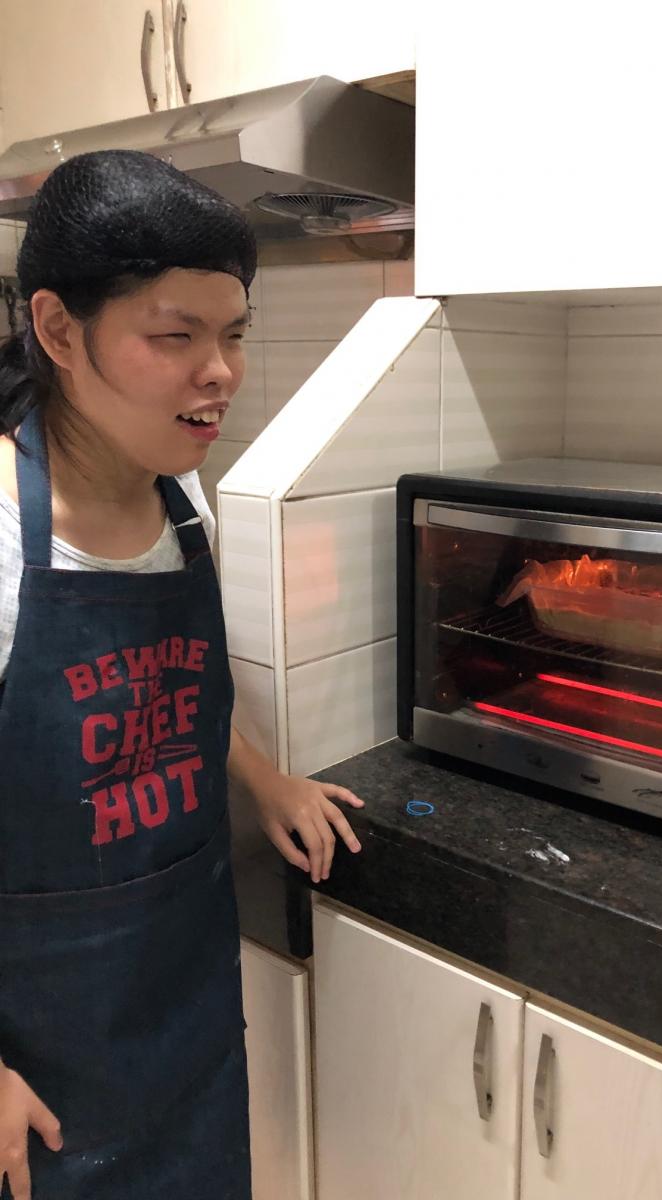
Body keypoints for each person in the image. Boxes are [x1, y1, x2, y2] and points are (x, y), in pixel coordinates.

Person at [0, 149, 364, 1200]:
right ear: (60, 331)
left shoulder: (179, 505)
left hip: (181, 1002)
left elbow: (170, 697)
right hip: (38, 1038)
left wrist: (266, 780)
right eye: (177, 336)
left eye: (234, 334)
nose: (222, 373)